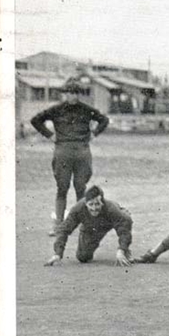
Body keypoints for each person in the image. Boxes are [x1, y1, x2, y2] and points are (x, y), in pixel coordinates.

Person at [30, 75, 110, 236]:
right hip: (63, 151)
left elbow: (104, 120)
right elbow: (35, 120)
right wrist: (49, 135)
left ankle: (83, 224)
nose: (72, 95)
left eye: (75, 92)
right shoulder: (56, 109)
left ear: (79, 94)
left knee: (81, 187)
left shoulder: (87, 110)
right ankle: (59, 225)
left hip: (82, 151)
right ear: (64, 94)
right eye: (69, 92)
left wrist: (94, 133)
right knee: (62, 188)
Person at [44, 185, 133, 267]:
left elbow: (124, 228)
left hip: (109, 222)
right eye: (91, 204)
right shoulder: (78, 209)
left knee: (126, 219)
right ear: (86, 203)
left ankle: (125, 251)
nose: (94, 208)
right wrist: (58, 254)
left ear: (102, 202)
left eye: (97, 204)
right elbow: (63, 229)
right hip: (91, 226)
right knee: (83, 257)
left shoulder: (111, 209)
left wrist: (122, 249)